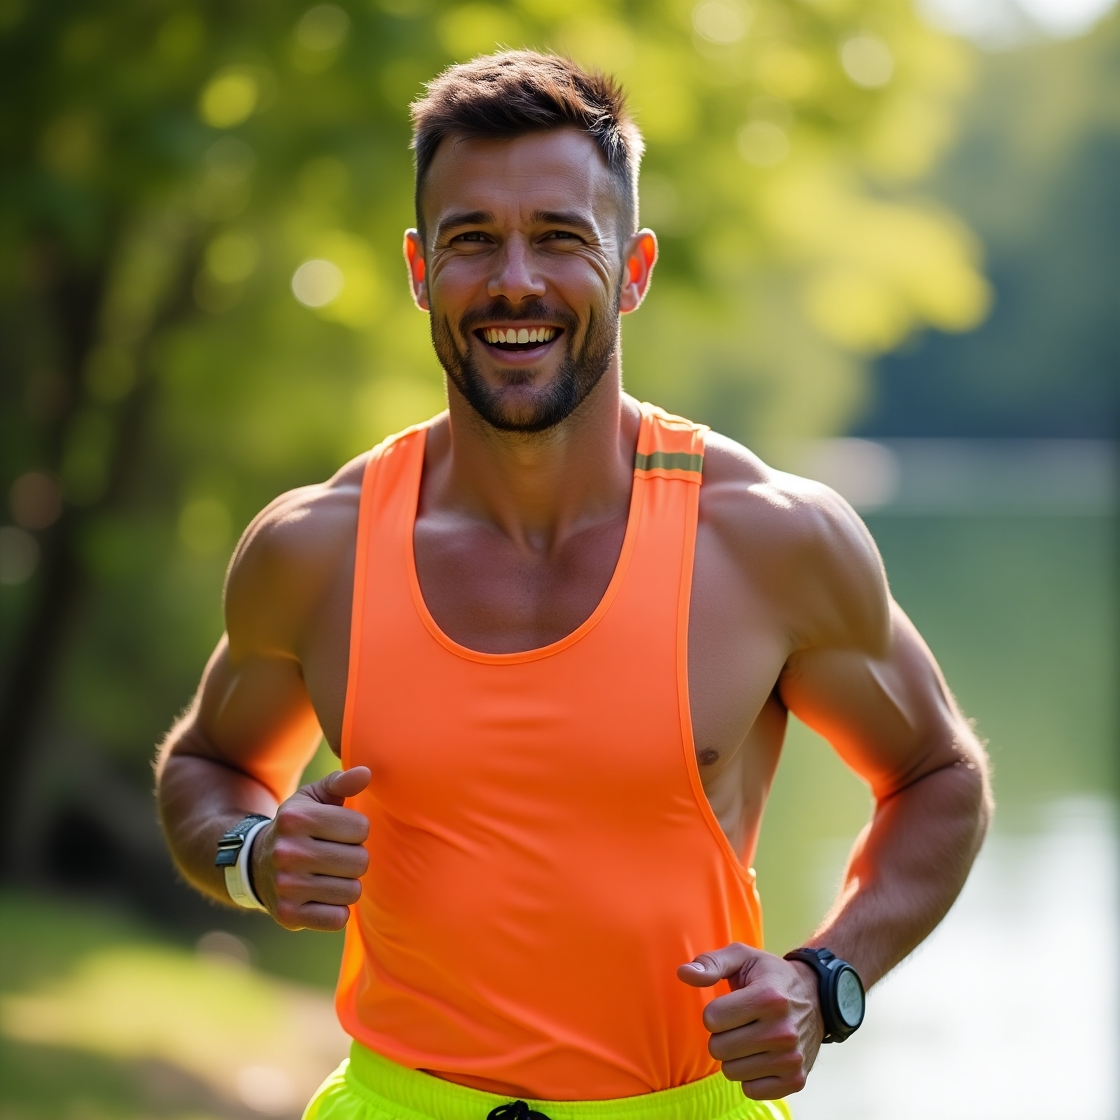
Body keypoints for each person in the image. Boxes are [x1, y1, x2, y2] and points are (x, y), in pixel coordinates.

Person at [156, 50, 991, 1120]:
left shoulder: (768, 539)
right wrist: (251, 855)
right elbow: (212, 762)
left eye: (559, 236)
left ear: (633, 267)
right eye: (471, 241)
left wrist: (824, 978)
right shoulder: (318, 548)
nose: (515, 280)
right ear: (418, 269)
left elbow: (937, 776)